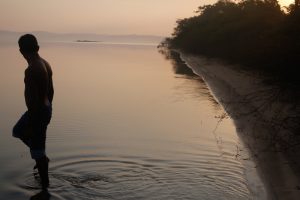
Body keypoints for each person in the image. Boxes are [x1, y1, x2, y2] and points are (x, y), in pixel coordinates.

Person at [13, 34, 54, 190]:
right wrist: (48, 107)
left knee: (36, 149)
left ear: (21, 51)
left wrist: (33, 122)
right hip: (45, 108)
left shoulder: (31, 70)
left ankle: (45, 187)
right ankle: (41, 157)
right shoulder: (45, 63)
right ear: (37, 48)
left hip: (37, 113)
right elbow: (51, 92)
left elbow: (32, 101)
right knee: (17, 131)